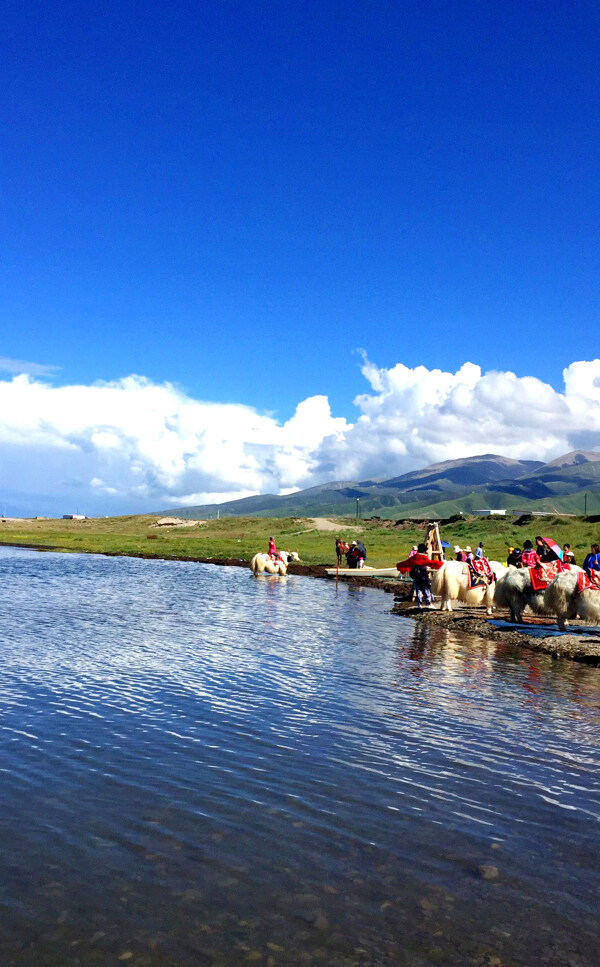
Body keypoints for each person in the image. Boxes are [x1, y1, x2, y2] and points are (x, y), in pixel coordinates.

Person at [396, 543, 443, 609]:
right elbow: (430, 563)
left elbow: (406, 562)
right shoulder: (423, 557)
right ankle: (429, 604)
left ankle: (419, 605)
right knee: (427, 589)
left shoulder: (414, 557)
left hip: (416, 577)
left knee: (418, 590)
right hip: (423, 576)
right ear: (424, 551)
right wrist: (442, 564)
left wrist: (398, 565)